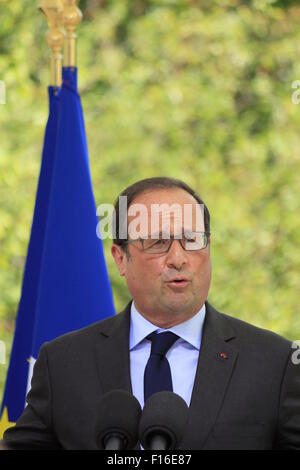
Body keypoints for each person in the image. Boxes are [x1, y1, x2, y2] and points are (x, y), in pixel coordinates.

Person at [3, 176, 300, 449]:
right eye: (158, 242)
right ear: (121, 258)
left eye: (192, 239)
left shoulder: (276, 363)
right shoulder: (64, 363)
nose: (178, 259)